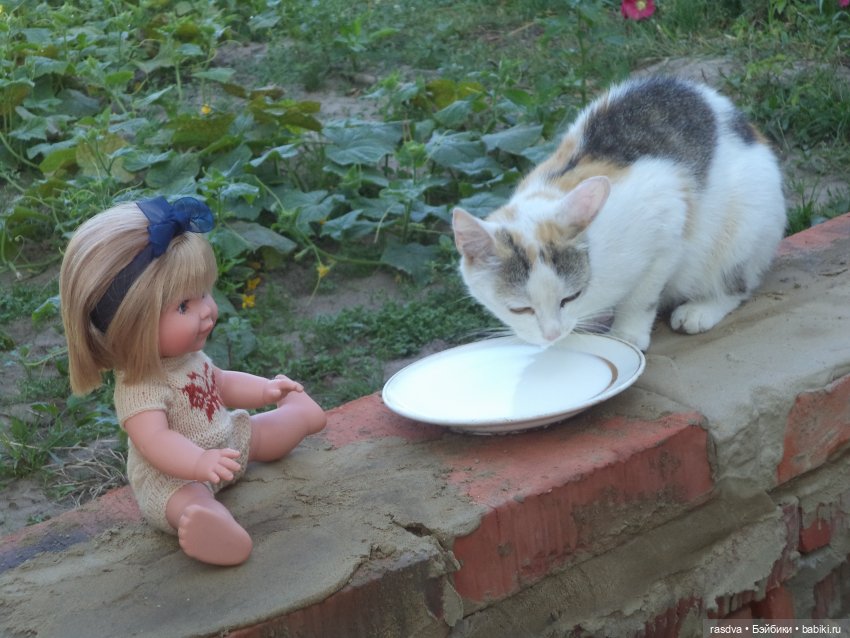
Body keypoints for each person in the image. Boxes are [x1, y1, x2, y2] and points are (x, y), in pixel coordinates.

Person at [59, 196, 326, 566]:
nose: (207, 311)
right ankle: (210, 526)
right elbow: (155, 440)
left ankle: (298, 414)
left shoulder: (187, 357)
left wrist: (266, 390)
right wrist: (199, 463)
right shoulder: (141, 385)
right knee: (189, 500)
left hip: (224, 445)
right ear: (131, 326)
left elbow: (221, 383)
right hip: (175, 476)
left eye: (204, 294)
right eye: (185, 306)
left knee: (263, 431)